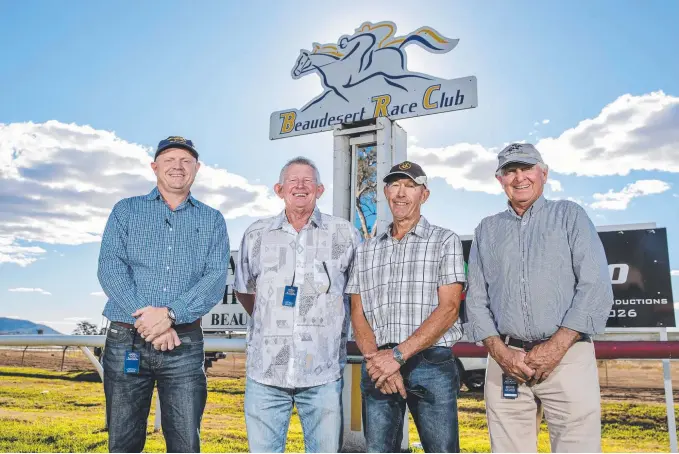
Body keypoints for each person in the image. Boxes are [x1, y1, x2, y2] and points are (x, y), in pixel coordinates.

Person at [464, 143, 614, 453]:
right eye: (510, 171)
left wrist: (556, 347)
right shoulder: (486, 230)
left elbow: (595, 284)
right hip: (506, 360)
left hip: (567, 356)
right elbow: (476, 298)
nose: (519, 177)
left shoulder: (569, 215)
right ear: (499, 179)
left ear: (543, 173)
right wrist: (499, 351)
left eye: (526, 168)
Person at [98, 136, 229, 453]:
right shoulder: (126, 210)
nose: (178, 166)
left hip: (183, 343)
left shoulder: (212, 220)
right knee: (123, 443)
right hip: (126, 340)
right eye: (170, 159)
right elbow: (110, 267)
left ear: (196, 169)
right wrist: (149, 321)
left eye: (186, 161)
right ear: (155, 167)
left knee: (185, 441)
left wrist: (169, 315)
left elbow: (214, 277)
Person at [234, 156, 361, 453]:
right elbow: (244, 289)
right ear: (279, 189)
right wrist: (271, 321)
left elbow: (357, 294)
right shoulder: (256, 234)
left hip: (322, 373)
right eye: (293, 180)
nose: (300, 185)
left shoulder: (345, 234)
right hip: (264, 374)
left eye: (308, 180)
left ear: (320, 189)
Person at [346, 160, 466, 453]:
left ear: (424, 195)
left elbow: (449, 308)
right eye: (395, 185)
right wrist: (379, 361)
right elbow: (357, 312)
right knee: (378, 450)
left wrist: (397, 356)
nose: (401, 193)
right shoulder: (366, 249)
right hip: (378, 363)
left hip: (431, 362)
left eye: (410, 186)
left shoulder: (444, 240)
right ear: (386, 192)